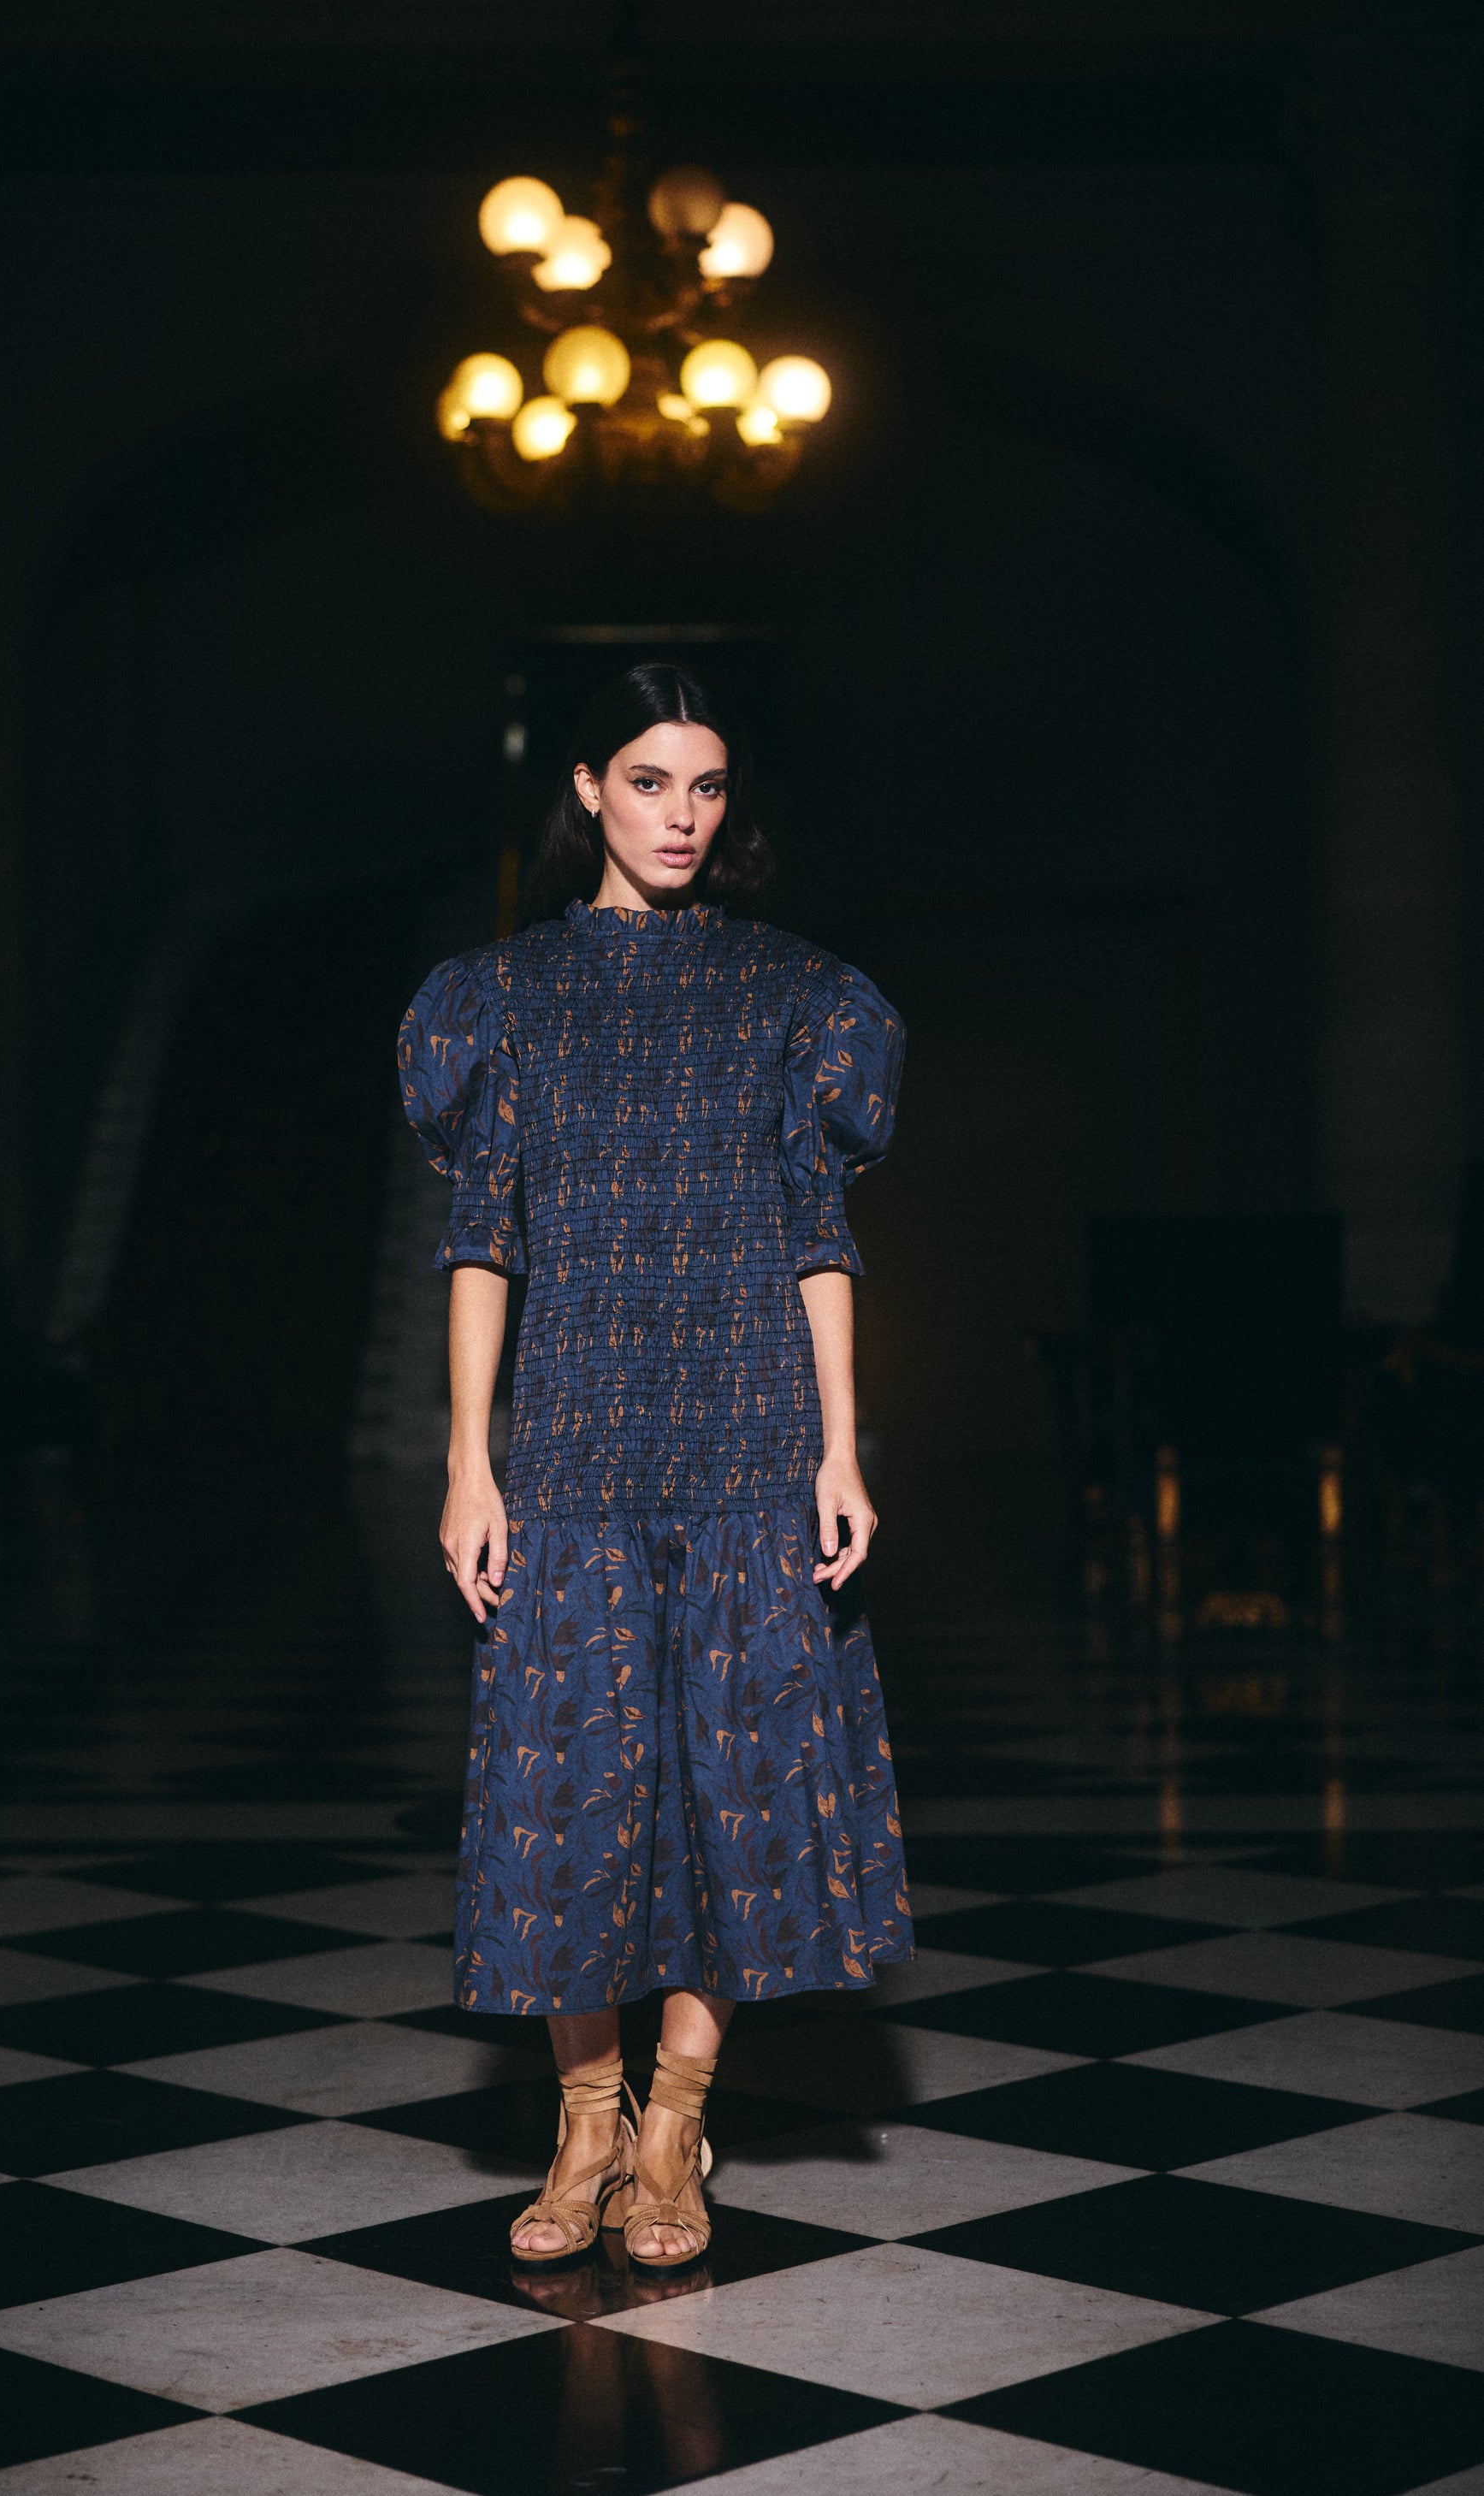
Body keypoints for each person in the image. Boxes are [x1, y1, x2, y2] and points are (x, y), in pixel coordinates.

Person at [396, 663, 910, 2270]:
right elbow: (481, 1242)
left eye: (705, 785)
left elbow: (820, 1238)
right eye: (647, 781)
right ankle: (584, 2120)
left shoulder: (796, 995)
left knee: (737, 1796)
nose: (681, 815)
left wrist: (840, 1445)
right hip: (570, 1441)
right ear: (584, 788)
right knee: (570, 1796)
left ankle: (677, 2120)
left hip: (751, 1438)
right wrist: (466, 1460)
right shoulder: (498, 997)